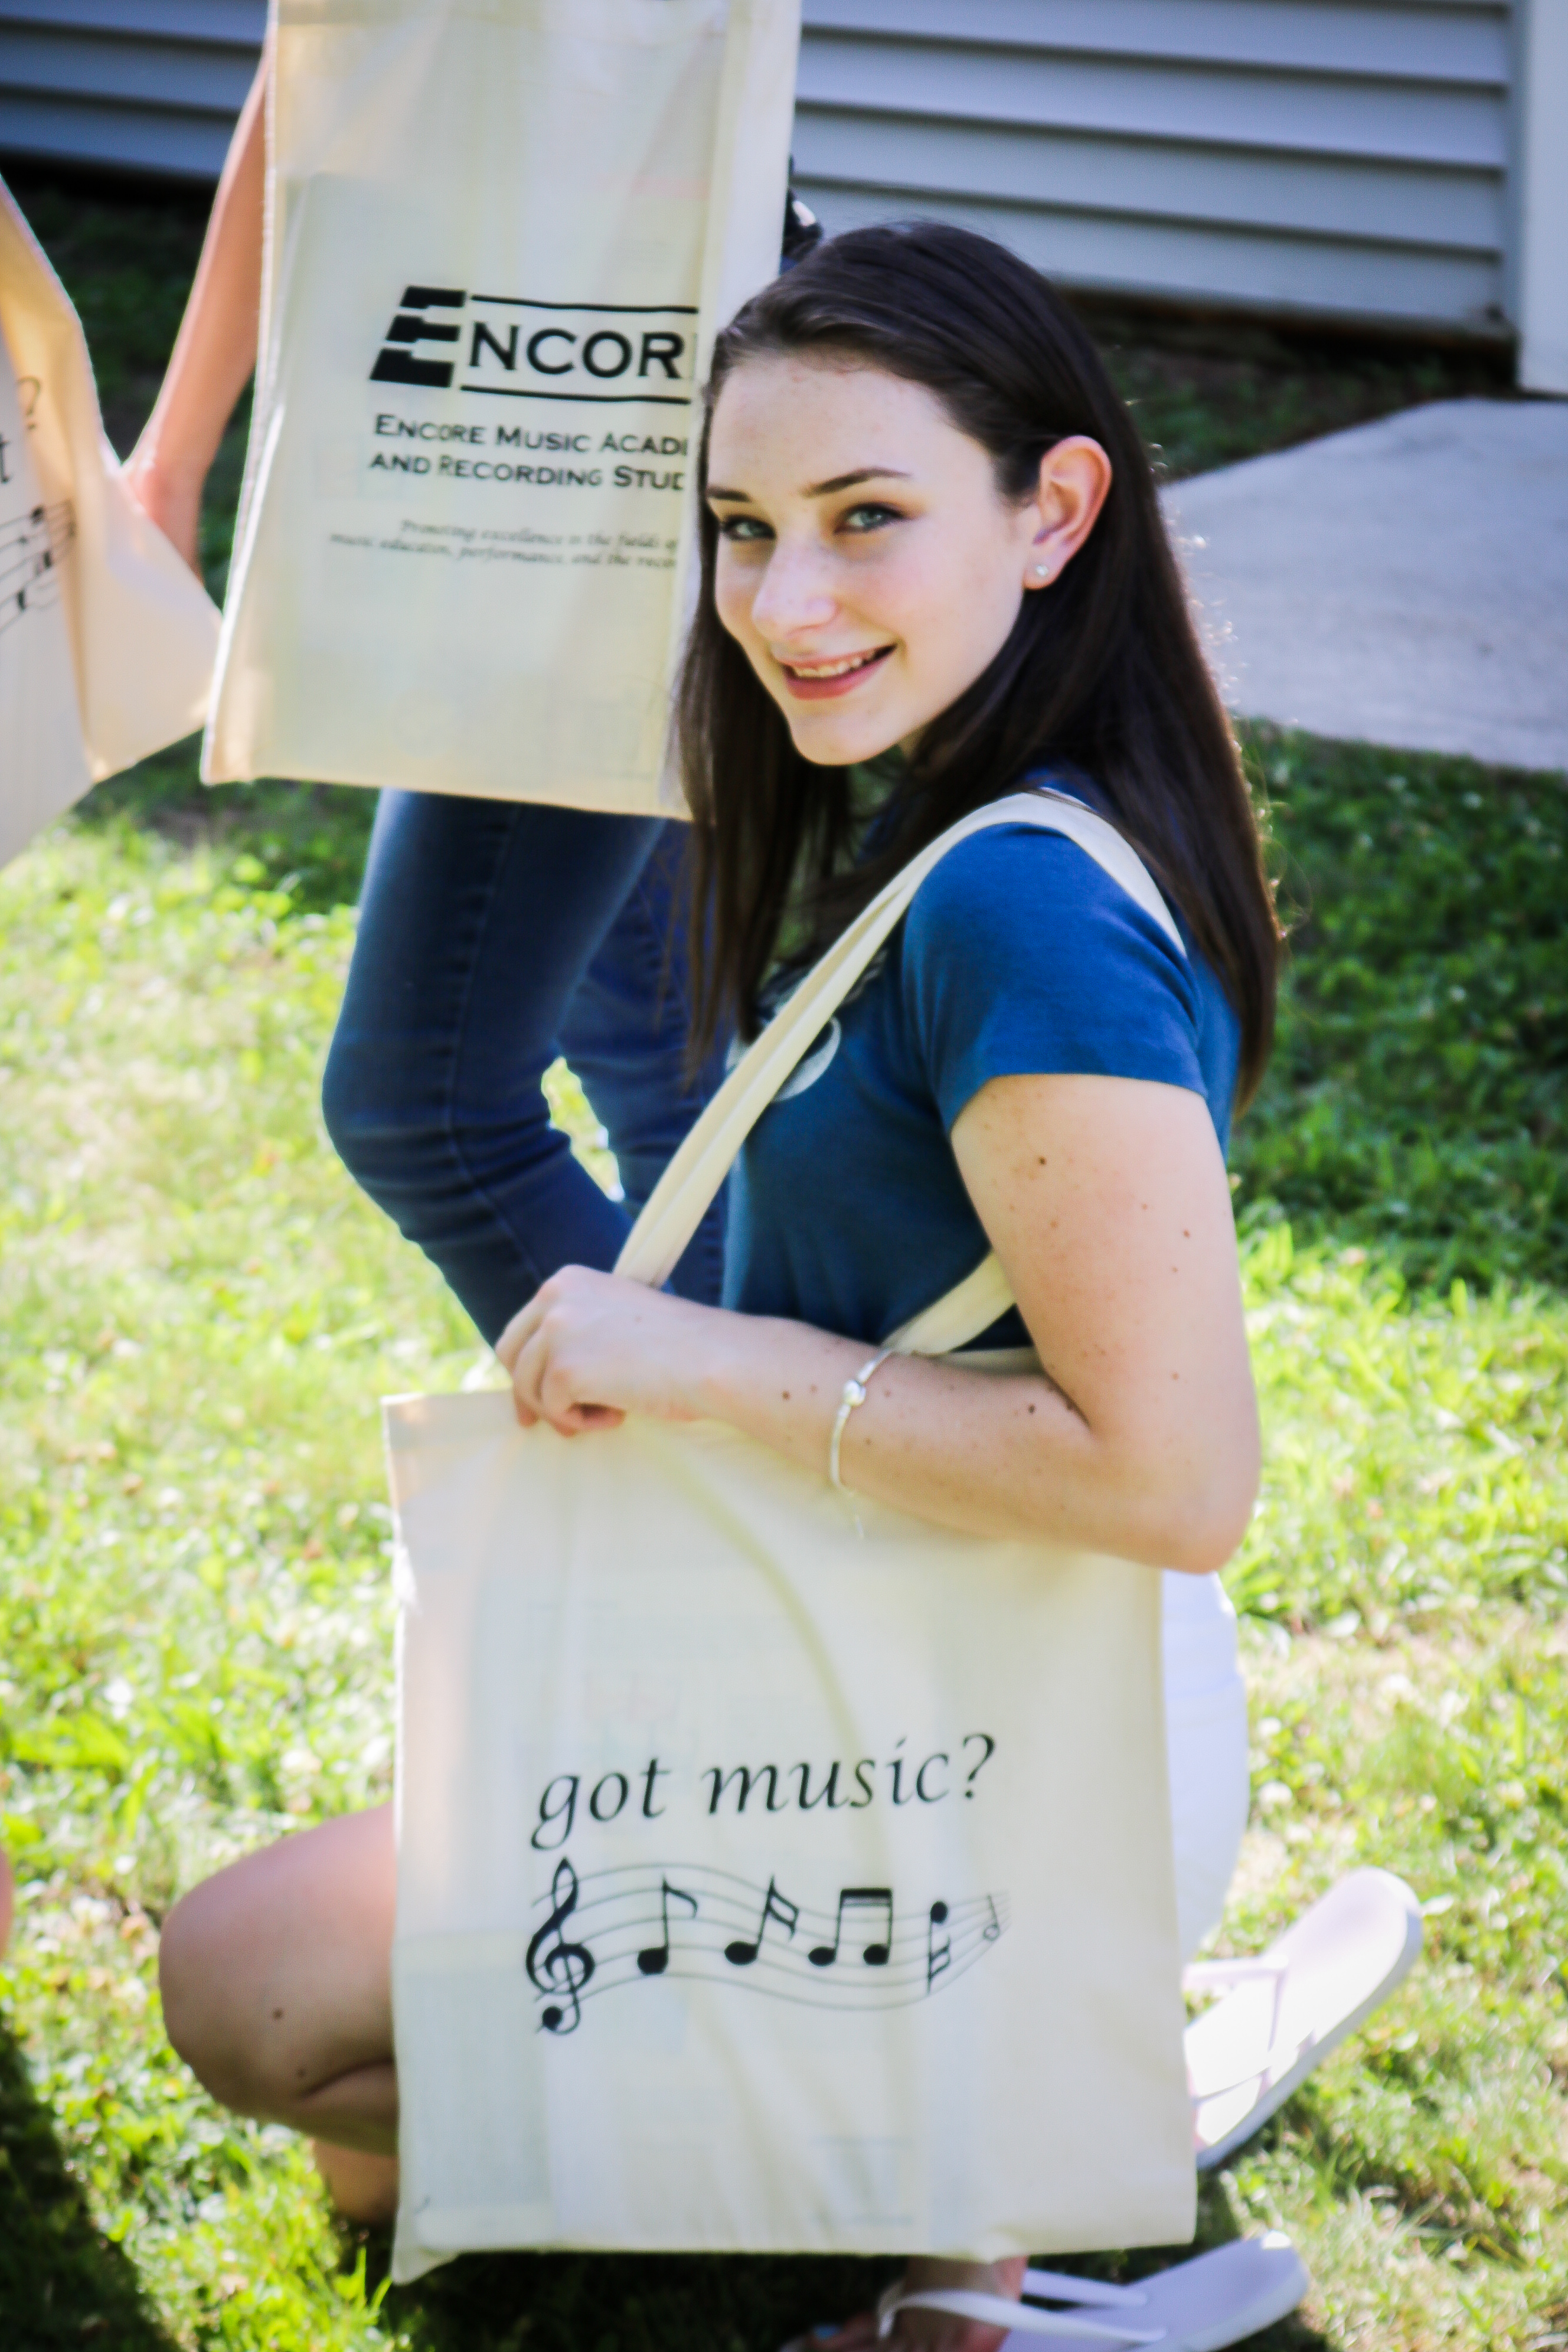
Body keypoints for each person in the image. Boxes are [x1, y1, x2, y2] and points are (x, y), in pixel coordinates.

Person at [158, 222, 1274, 2345]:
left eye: (866, 518)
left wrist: (699, 1357)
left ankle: (938, 2141)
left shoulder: (1020, 913)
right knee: (320, 2033)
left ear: (1054, 512)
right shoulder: (955, 814)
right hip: (917, 1688)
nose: (781, 601)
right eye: (742, 528)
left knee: (245, 1993)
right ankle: (914, 2168)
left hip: (1014, 1758)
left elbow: (1175, 1478)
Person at [125, 41, 818, 1344]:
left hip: (563, 431)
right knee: (659, 1052)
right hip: (616, 382)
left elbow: (325, 74)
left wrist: (174, 459)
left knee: (424, 1109)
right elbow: (320, 61)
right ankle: (777, 1439)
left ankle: (726, 1434)